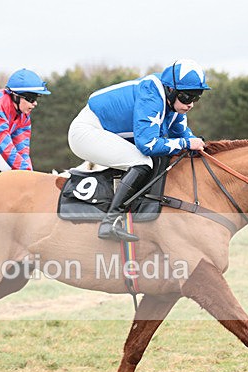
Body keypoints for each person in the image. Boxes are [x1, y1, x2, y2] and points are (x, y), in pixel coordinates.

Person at [67, 59, 211, 242]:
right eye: (186, 97)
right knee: (143, 161)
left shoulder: (174, 104)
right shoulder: (152, 95)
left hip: (106, 132)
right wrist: (185, 144)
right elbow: (148, 144)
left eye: (196, 97)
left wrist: (196, 144)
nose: (191, 104)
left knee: (156, 159)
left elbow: (183, 135)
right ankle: (109, 223)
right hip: (87, 132)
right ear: (171, 90)